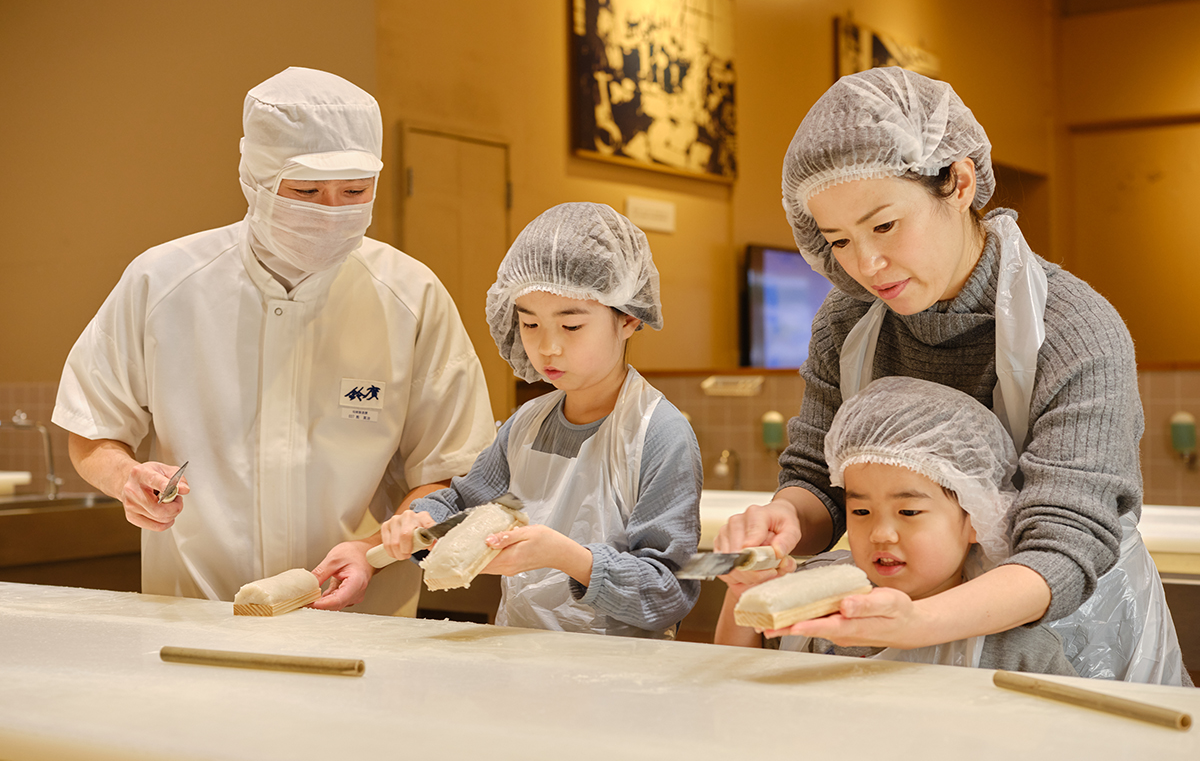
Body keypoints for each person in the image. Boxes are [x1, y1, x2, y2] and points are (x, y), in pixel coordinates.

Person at [716, 66, 1188, 685]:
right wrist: (784, 520)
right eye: (838, 240)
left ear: (960, 182)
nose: (867, 263)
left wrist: (920, 623)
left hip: (1067, 641)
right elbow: (819, 481)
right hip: (902, 620)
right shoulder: (849, 318)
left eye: (884, 225)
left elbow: (1065, 547)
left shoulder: (1074, 328)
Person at [52, 67, 495, 615]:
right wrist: (127, 478)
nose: (332, 210)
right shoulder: (163, 283)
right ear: (255, 181)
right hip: (194, 611)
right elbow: (92, 429)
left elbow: (451, 471)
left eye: (355, 191)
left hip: (363, 620)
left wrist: (372, 552)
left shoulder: (411, 296)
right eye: (306, 191)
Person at [374, 202, 702, 637]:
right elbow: (465, 510)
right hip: (520, 663)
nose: (548, 348)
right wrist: (422, 521)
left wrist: (566, 556)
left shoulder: (658, 434)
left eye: (571, 327)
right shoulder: (526, 425)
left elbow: (668, 593)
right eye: (529, 324)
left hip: (620, 681)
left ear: (627, 318)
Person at [716, 377, 1077, 676]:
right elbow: (735, 675)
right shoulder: (816, 606)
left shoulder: (1018, 647)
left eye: (908, 513)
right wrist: (743, 591)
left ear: (978, 519)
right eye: (860, 512)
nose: (881, 534)